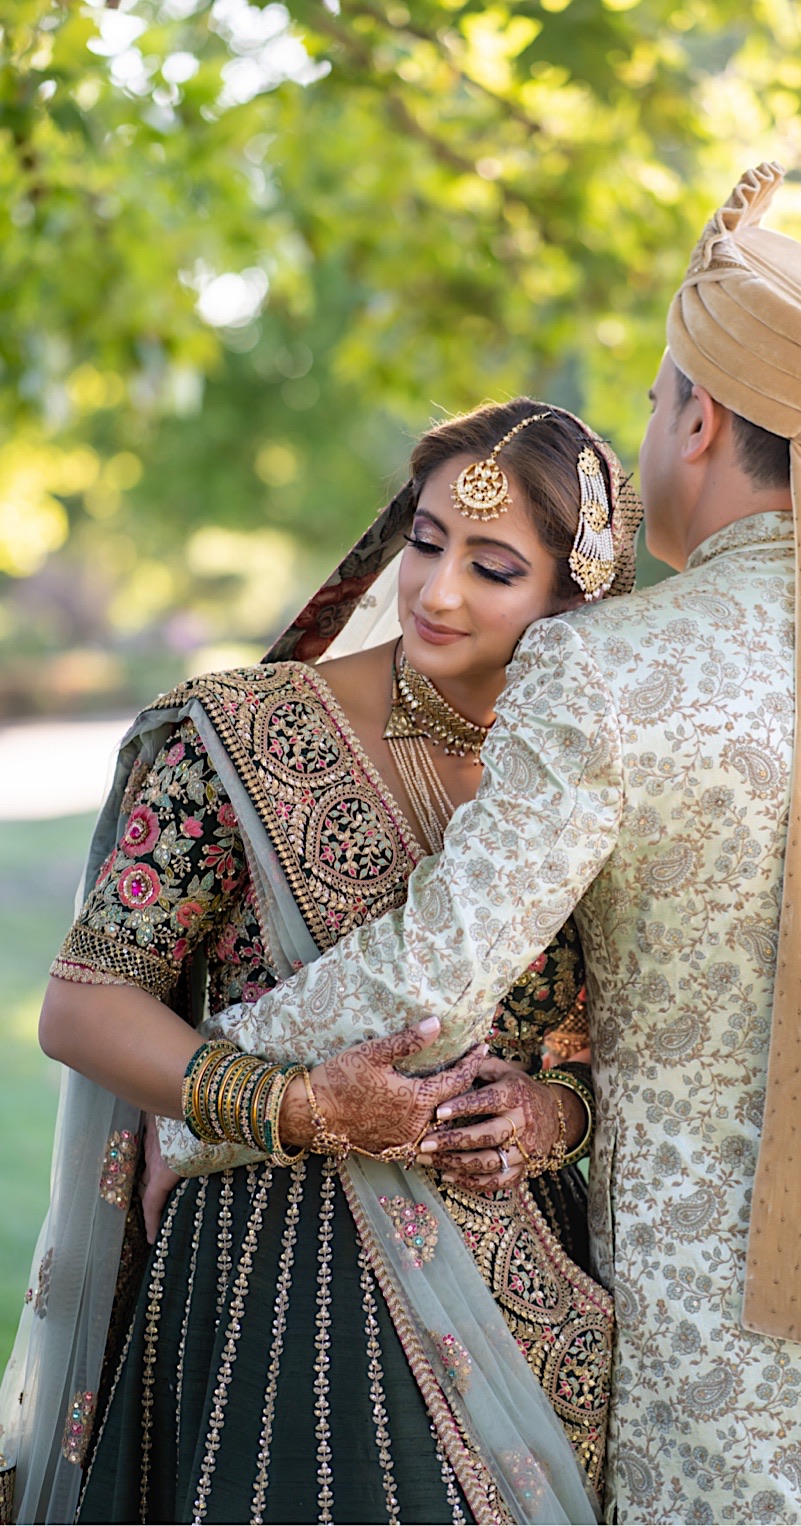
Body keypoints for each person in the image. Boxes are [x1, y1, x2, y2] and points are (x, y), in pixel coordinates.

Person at [146, 163, 801, 1522]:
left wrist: (208, 1094)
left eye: (662, 399)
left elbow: (436, 975)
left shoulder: (606, 669)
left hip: (723, 1325)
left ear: (700, 418)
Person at [2, 398, 640, 1523]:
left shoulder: (604, 783)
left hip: (524, 1301)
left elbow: (625, 1042)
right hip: (270, 1282)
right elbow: (83, 1008)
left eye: (492, 568)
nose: (437, 591)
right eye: (427, 543)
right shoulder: (242, 737)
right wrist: (298, 1104)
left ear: (572, 601)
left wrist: (551, 1114)